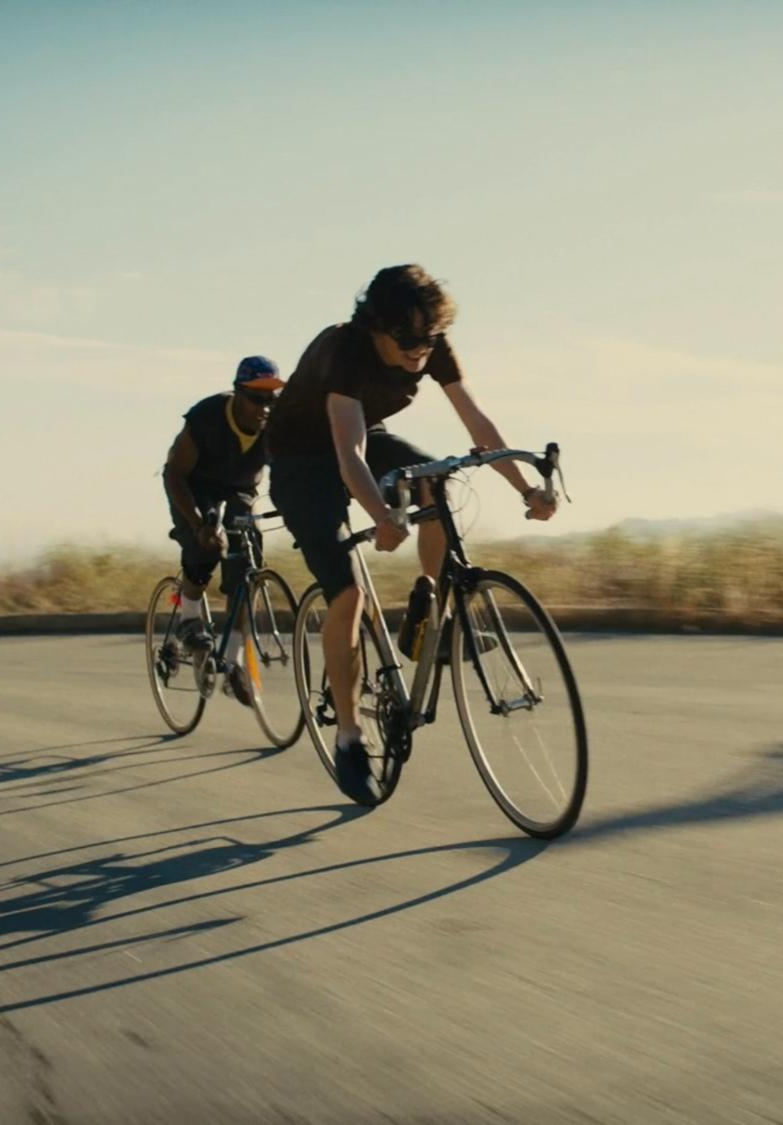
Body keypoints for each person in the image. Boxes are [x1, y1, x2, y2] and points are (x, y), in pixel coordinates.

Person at [266, 264, 556, 801]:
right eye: (407, 340)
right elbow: (348, 453)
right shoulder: (344, 349)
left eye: (429, 337)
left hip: (366, 437)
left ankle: (428, 606)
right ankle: (350, 739)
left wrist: (525, 490)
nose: (420, 350)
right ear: (376, 328)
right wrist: (381, 515)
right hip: (300, 460)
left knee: (435, 481)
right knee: (347, 595)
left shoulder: (430, 342)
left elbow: (478, 424)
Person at [161, 355, 284, 707]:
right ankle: (188, 617)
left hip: (240, 489)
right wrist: (198, 523)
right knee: (206, 546)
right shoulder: (207, 417)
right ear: (237, 393)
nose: (264, 407)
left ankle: (232, 662)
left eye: (271, 399)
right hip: (193, 485)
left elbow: (290, 467)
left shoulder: (277, 424)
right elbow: (174, 474)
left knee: (245, 564)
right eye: (256, 398)